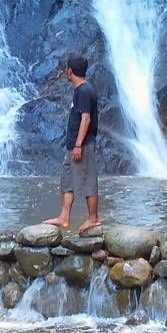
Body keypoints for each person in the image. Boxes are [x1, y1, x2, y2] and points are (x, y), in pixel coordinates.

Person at [43, 54, 100, 233]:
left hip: (81, 145)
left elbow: (86, 119)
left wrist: (77, 145)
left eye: (66, 69)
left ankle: (93, 218)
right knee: (67, 179)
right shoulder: (81, 90)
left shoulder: (84, 91)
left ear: (70, 71)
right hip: (73, 145)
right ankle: (64, 217)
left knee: (88, 180)